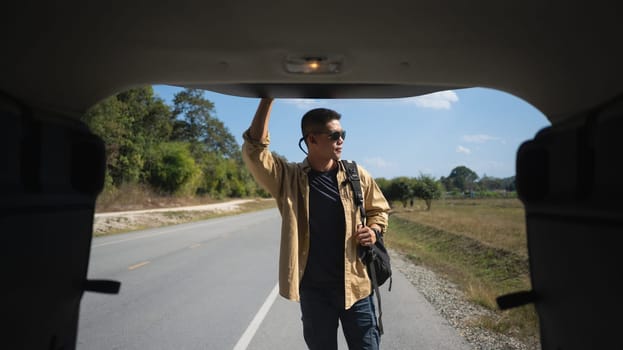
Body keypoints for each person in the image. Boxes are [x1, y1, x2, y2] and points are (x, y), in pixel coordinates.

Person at [242, 98, 390, 350]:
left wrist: (374, 231)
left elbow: (379, 210)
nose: (341, 140)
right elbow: (255, 151)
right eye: (334, 135)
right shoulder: (288, 178)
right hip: (314, 292)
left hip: (356, 287)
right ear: (311, 139)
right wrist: (268, 97)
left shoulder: (356, 174)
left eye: (343, 134)